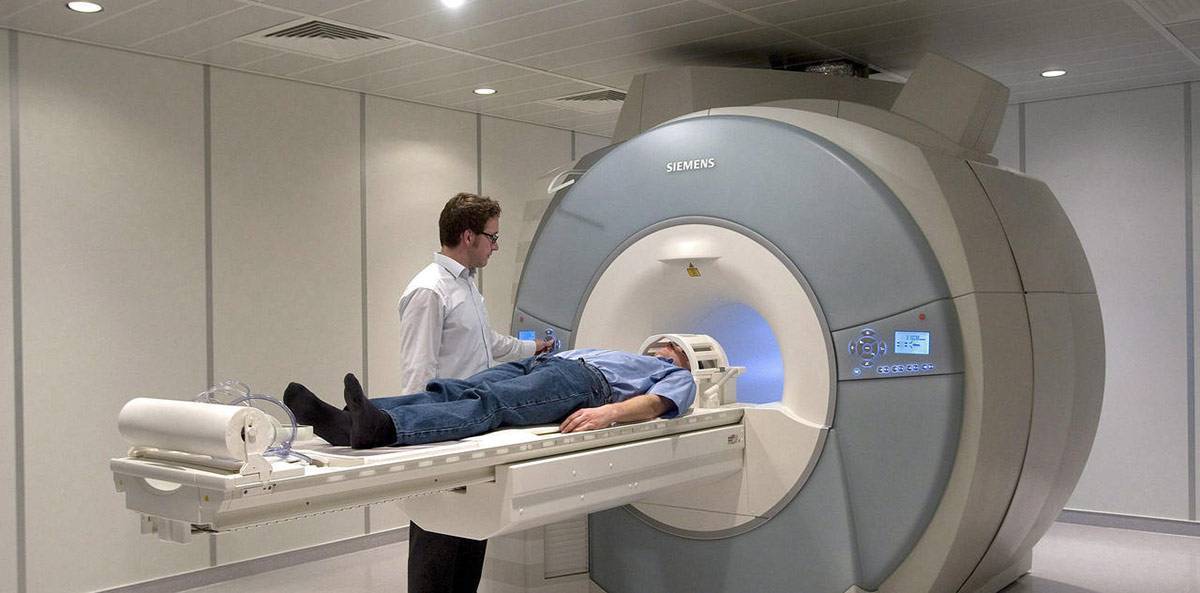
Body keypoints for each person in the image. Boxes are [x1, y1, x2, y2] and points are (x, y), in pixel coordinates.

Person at [400, 192, 549, 593]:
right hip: (442, 431)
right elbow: (417, 373)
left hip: (473, 426)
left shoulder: (467, 287)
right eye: (492, 237)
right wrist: (422, 444)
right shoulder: (430, 290)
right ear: (468, 236)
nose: (495, 246)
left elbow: (489, 344)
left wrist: (532, 348)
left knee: (470, 538)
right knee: (437, 545)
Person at [282, 341, 695, 448]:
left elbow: (657, 405)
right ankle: (345, 421)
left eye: (673, 350)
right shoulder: (626, 353)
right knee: (455, 388)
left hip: (583, 382)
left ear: (683, 361)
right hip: (545, 363)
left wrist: (610, 413)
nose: (663, 350)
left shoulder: (676, 376)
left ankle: (384, 427)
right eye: (662, 345)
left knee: (490, 405)